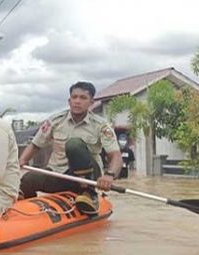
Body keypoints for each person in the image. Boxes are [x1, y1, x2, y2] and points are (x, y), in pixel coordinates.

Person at [18, 81, 122, 215]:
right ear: (69, 100)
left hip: (86, 178)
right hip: (57, 174)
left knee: (74, 145)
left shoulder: (101, 125)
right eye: (74, 97)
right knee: (28, 179)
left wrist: (109, 175)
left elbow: (116, 156)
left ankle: (89, 194)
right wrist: (22, 161)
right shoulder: (55, 121)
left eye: (83, 98)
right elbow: (35, 145)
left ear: (91, 102)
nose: (77, 101)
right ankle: (26, 212)